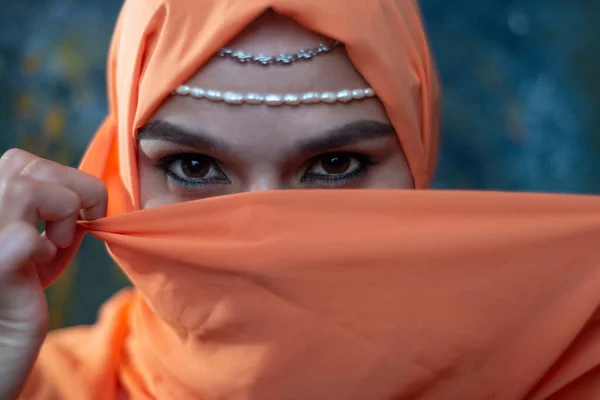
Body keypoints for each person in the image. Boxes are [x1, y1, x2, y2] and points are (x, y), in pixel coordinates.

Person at [1, 0, 600, 399]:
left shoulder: (562, 371)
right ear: (123, 175)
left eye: (334, 165)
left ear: (418, 156)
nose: (265, 243)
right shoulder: (34, 382)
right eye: (195, 167)